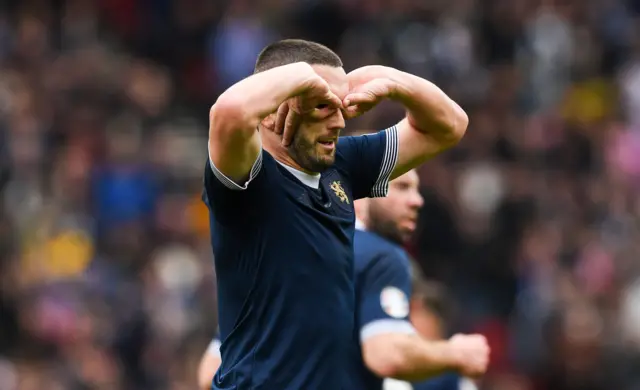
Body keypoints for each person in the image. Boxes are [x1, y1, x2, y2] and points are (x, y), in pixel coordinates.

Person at [202, 38, 470, 389]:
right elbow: (229, 112)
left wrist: (389, 80)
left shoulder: (340, 165)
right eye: (321, 105)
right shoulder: (250, 178)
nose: (339, 121)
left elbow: (449, 125)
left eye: (341, 105)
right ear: (271, 113)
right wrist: (300, 76)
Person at [348, 170, 489, 390]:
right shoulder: (382, 256)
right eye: (401, 187)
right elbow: (386, 355)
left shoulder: (301, 243)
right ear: (360, 192)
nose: (417, 201)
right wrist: (456, 353)